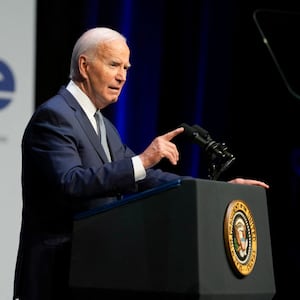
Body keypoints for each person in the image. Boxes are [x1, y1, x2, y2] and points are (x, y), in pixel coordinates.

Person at [13, 27, 269, 300]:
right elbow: (71, 182)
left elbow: (144, 176)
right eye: (114, 65)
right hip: (56, 276)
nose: (122, 76)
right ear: (84, 66)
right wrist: (143, 159)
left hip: (92, 273)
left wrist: (211, 191)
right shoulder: (54, 116)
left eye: (126, 67)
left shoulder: (104, 125)